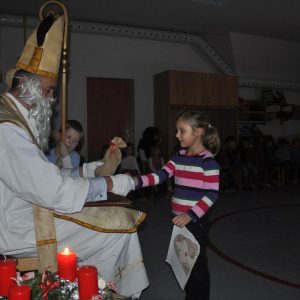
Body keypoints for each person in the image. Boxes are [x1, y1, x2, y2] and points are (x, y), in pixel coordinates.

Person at [0, 13, 148, 298]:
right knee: (119, 229)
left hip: (27, 212)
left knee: (113, 217)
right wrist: (108, 184)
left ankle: (88, 288)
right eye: (49, 91)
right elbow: (54, 190)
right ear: (29, 88)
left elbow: (45, 174)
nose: (52, 100)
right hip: (17, 227)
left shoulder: (15, 120)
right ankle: (105, 292)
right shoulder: (8, 129)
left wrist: (94, 170)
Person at [134, 110, 220, 300]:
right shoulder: (179, 156)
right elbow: (161, 175)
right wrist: (135, 182)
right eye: (177, 130)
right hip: (180, 221)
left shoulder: (208, 161)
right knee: (185, 263)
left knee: (197, 265)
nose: (177, 135)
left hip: (195, 221)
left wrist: (190, 215)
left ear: (197, 132)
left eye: (182, 130)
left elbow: (212, 193)